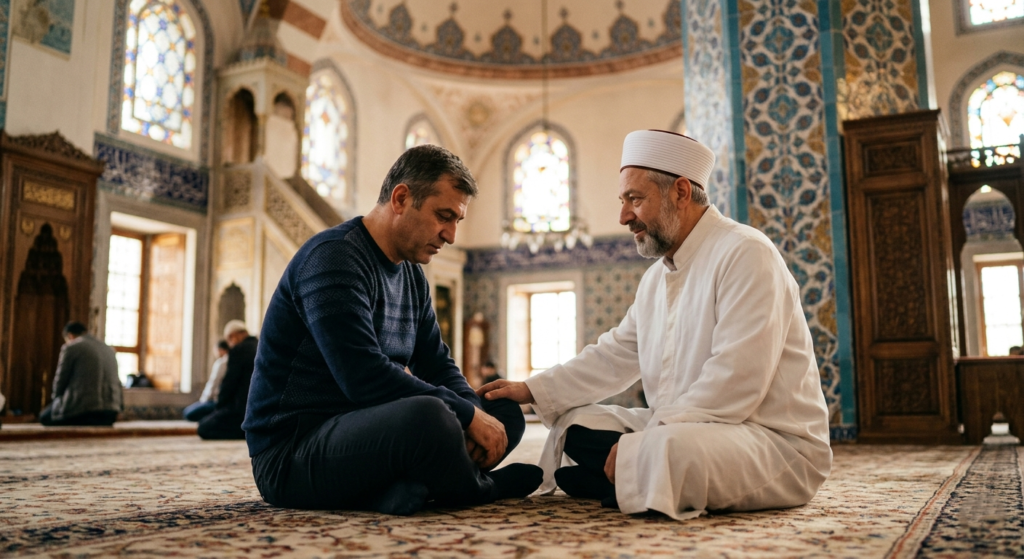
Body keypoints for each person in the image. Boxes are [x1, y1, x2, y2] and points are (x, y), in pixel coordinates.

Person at [479, 130, 833, 520]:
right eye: (623, 201)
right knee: (577, 424)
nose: (623, 216)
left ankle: (631, 474)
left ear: (680, 192)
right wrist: (532, 389)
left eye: (635, 199)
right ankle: (630, 476)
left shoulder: (746, 254)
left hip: (770, 440)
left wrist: (650, 435)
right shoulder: (656, 278)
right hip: (687, 424)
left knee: (666, 449)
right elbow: (614, 356)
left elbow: (735, 382)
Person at [244, 145, 541, 516]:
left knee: (503, 409)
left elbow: (437, 363)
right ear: (401, 198)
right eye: (443, 216)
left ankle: (401, 491)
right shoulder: (334, 257)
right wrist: (464, 416)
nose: (449, 235)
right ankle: (478, 488)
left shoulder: (412, 275)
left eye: (457, 222)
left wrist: (475, 409)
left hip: (365, 436)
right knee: (430, 419)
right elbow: (362, 376)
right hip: (294, 453)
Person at [39, 322, 122, 426]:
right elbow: (118, 383)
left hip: (84, 412)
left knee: (44, 417)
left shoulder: (72, 347)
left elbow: (61, 380)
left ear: (70, 336)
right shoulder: (109, 349)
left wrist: (56, 401)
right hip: (110, 413)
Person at [197, 322, 256, 440]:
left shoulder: (238, 350)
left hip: (241, 410)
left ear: (233, 336)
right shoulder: (261, 345)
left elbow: (229, 385)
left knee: (203, 427)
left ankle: (246, 432)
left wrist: (220, 409)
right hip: (261, 410)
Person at [183, 340, 230, 422]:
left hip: (216, 401)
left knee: (188, 412)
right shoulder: (233, 362)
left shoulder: (221, 363)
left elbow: (213, 384)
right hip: (227, 402)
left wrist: (204, 400)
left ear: (221, 350)